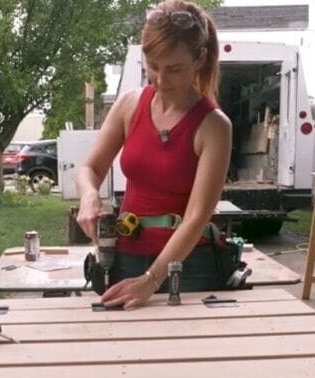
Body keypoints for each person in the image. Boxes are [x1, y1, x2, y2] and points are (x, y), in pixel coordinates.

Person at [75, 0, 232, 310]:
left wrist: (152, 279)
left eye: (174, 69)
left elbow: (196, 217)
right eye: (154, 68)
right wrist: (88, 195)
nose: (161, 81)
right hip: (124, 259)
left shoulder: (214, 126)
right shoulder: (129, 105)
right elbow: (89, 167)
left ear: (199, 58)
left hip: (186, 269)